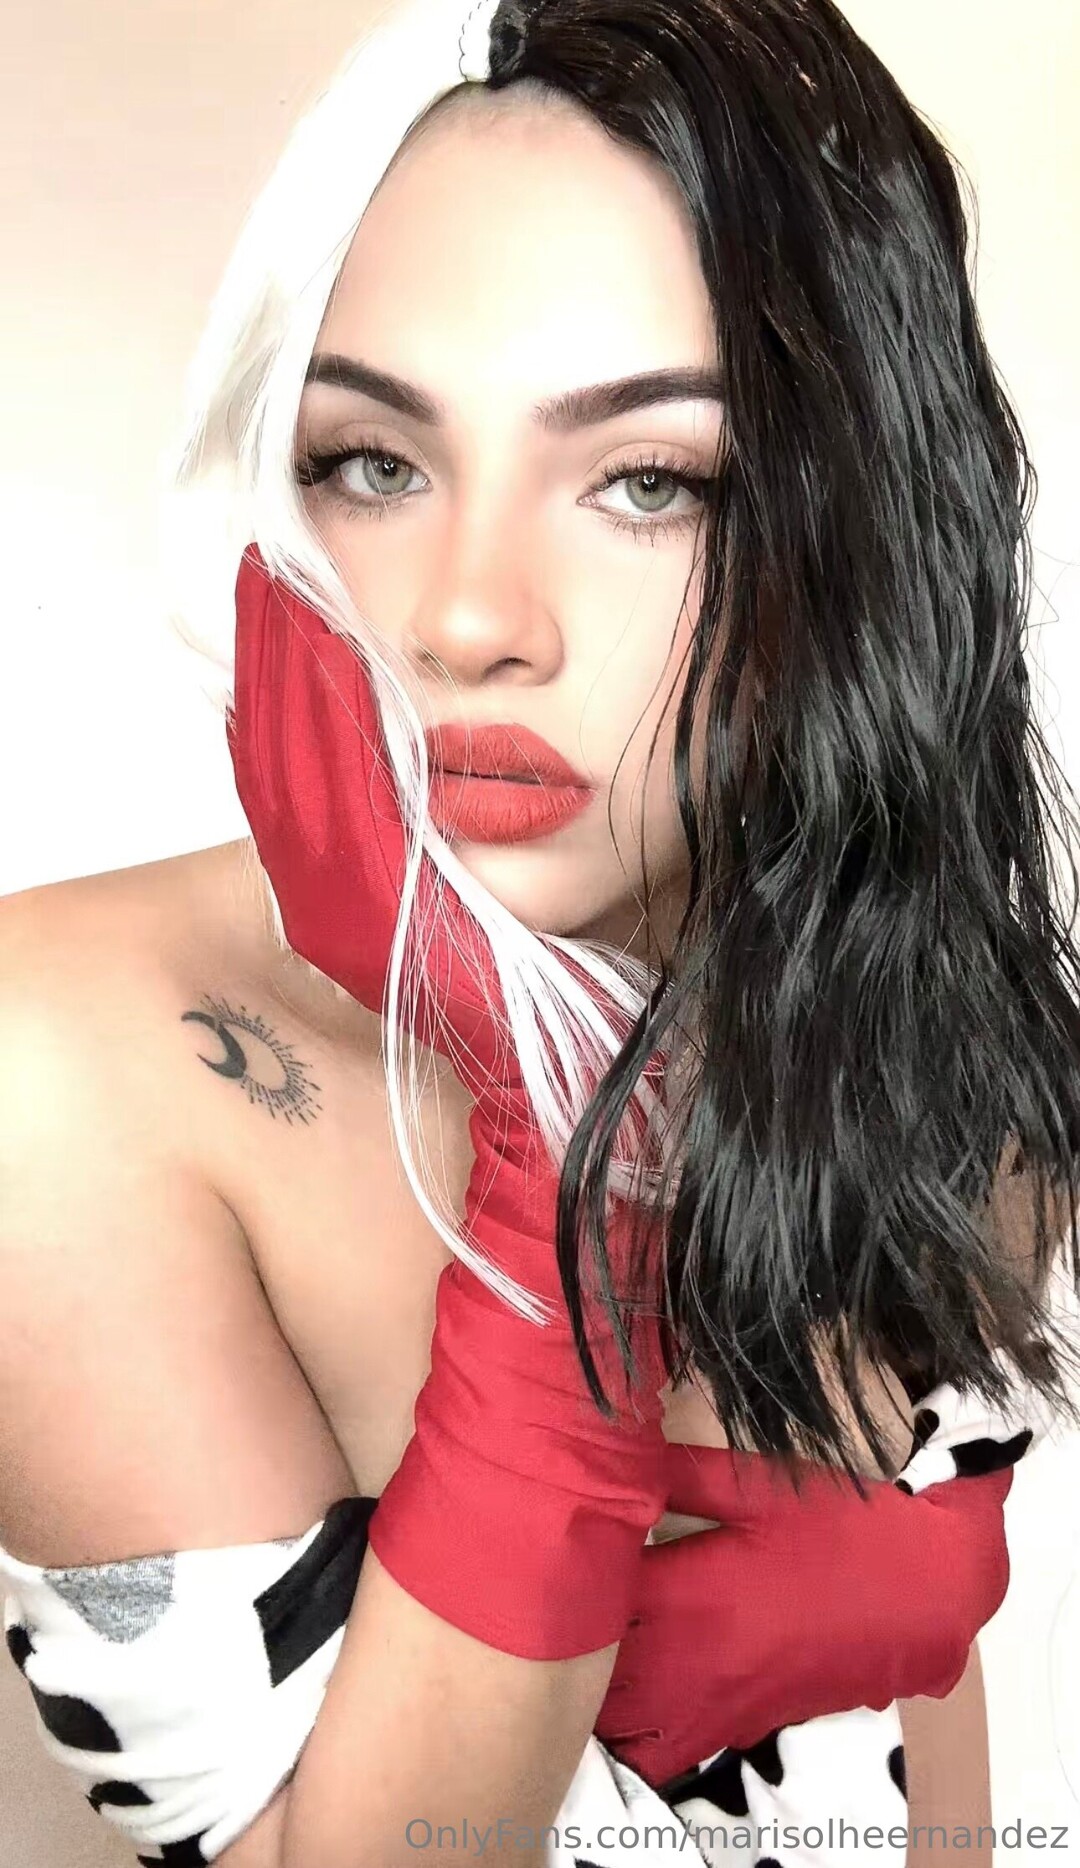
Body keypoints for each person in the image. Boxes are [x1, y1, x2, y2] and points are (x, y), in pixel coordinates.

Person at [2, 1, 1079, 1865]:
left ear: (861, 536)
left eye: (649, 480)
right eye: (374, 462)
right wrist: (576, 1149)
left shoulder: (935, 1065)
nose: (471, 617)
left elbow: (916, 1776)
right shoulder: (68, 1076)